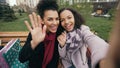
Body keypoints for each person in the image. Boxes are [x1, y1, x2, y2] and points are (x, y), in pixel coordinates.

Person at [19, 0, 60, 68]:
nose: (55, 23)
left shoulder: (58, 33)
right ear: (42, 20)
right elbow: (22, 58)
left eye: (57, 19)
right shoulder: (36, 32)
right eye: (50, 19)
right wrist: (34, 43)